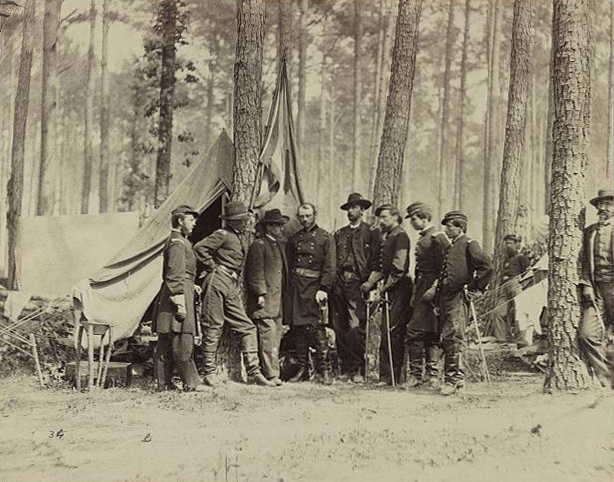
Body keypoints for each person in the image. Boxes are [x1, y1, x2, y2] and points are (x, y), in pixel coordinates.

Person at [194, 201, 275, 388]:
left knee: (247, 326)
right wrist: (213, 266)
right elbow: (199, 248)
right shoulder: (222, 234)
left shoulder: (237, 236)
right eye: (239, 220)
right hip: (216, 281)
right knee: (213, 326)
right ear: (231, 221)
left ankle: (254, 372)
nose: (244, 222)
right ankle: (209, 373)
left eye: (243, 219)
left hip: (229, 283)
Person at [436, 211, 493, 395]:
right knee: (448, 337)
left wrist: (474, 287)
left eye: (450, 225)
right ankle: (457, 379)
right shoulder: (450, 246)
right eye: (446, 225)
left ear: (460, 227)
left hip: (459, 296)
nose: (446, 228)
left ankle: (452, 381)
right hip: (446, 296)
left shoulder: (469, 244)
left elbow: (487, 266)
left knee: (453, 335)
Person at [153, 205, 206, 392]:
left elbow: (181, 272)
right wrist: (180, 301)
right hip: (177, 295)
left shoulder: (178, 240)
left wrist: (191, 284)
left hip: (180, 290)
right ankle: (191, 383)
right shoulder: (177, 243)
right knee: (182, 339)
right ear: (180, 220)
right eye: (191, 220)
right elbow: (174, 273)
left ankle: (164, 383)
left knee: (166, 341)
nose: (194, 223)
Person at [331, 193, 380, 383]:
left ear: (362, 210)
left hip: (358, 284)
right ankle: (345, 368)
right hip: (339, 283)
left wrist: (370, 283)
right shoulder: (339, 234)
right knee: (339, 326)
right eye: (349, 208)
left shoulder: (371, 232)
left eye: (354, 207)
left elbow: (377, 261)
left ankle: (359, 367)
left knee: (355, 326)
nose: (351, 211)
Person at [361, 204, 412, 386]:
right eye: (379, 218)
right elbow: (381, 268)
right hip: (389, 287)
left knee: (394, 332)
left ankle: (396, 376)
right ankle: (386, 376)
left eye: (384, 217)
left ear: (395, 217)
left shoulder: (401, 236)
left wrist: (383, 289)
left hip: (400, 288)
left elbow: (398, 269)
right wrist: (369, 283)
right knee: (386, 331)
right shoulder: (386, 237)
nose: (380, 221)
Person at [286, 203, 336, 385]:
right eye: (301, 216)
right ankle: (303, 369)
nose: (305, 219)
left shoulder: (325, 238)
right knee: (298, 328)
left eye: (308, 215)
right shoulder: (294, 239)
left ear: (315, 215)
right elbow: (290, 265)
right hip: (297, 288)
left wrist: (324, 288)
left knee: (317, 329)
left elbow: (330, 267)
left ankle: (325, 370)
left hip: (315, 288)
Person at [404, 202, 449, 388]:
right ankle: (425, 375)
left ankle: (426, 375)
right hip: (422, 287)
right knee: (427, 331)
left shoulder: (438, 238)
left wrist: (434, 289)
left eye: (414, 219)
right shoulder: (425, 237)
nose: (412, 223)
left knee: (418, 332)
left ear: (424, 218)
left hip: (432, 291)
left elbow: (445, 267)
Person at [245, 209, 289, 387]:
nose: (280, 229)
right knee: (267, 337)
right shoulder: (259, 245)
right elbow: (255, 272)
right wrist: (260, 294)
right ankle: (270, 375)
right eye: (277, 226)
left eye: (281, 226)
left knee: (275, 337)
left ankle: (273, 372)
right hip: (265, 300)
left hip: (277, 301)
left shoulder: (279, 245)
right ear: (269, 227)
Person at [578, 188, 613, 386]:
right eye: (600, 205)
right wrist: (587, 285)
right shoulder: (589, 232)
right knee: (587, 334)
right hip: (596, 289)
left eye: (607, 204)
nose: (602, 208)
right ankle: (606, 378)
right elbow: (584, 263)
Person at [488, 234, 530, 343]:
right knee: (497, 311)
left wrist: (522, 286)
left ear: (517, 245)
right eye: (506, 244)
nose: (508, 246)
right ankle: (501, 339)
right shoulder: (506, 260)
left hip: (515, 284)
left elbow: (529, 274)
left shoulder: (522, 258)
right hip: (504, 287)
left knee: (519, 311)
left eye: (510, 243)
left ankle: (520, 339)